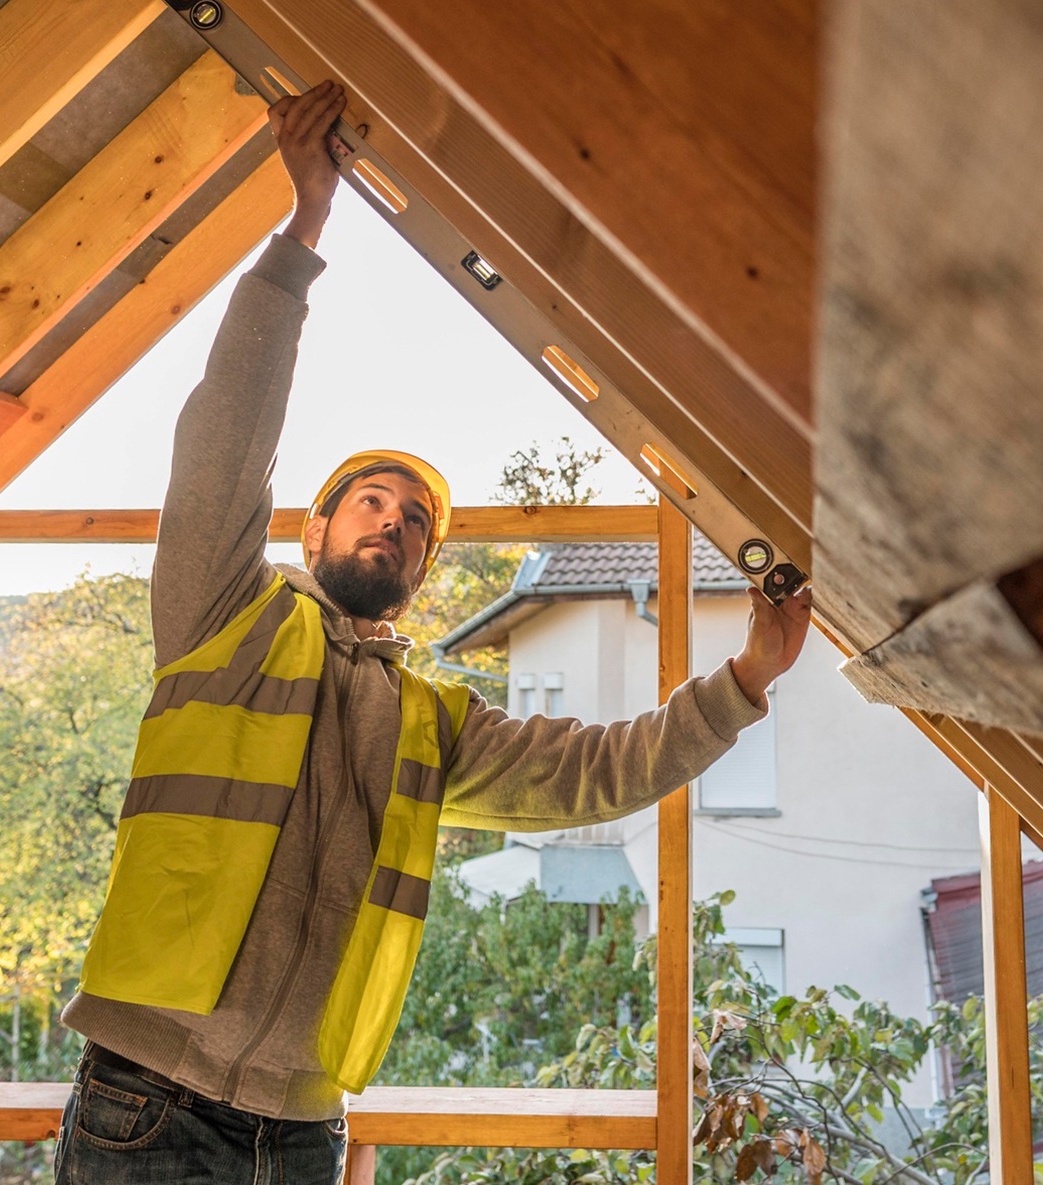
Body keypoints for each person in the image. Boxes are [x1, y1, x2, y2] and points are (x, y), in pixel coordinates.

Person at [52, 80, 814, 1183]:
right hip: (148, 1101)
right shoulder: (224, 614)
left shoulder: (429, 721)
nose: (394, 523)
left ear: (419, 572)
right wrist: (303, 232)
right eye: (371, 500)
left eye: (414, 522)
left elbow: (596, 774)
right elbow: (223, 438)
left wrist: (745, 678)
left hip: (304, 1129)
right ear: (311, 525)